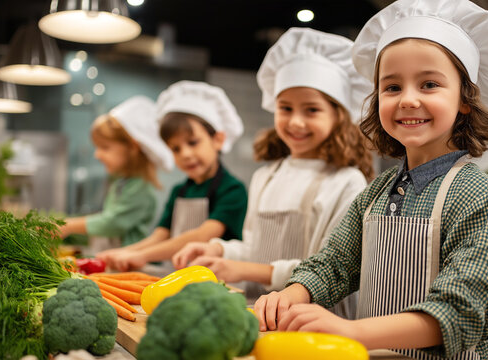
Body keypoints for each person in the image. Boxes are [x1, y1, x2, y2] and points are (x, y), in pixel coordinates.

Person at [253, 1, 488, 360]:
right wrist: (292, 293)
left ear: (465, 100)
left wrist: (351, 331)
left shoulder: (478, 196)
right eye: (392, 87)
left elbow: (462, 312)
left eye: (429, 84)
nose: (408, 100)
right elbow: (335, 264)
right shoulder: (377, 192)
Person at [172, 28, 374, 318]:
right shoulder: (266, 176)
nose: (296, 121)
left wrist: (243, 269)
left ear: (338, 115)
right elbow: (255, 248)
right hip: (259, 312)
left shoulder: (345, 181)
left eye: (312, 110)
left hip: (316, 318)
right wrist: (219, 251)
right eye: (285, 108)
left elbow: (333, 268)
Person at [97, 81, 248, 272]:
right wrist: (122, 252)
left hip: (217, 281)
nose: (185, 154)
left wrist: (141, 255)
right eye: (175, 148)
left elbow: (203, 236)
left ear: (217, 139)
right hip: (177, 276)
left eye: (193, 142)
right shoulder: (180, 191)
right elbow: (160, 235)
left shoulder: (232, 189)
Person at [59, 96, 174, 247]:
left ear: (132, 148)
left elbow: (112, 223)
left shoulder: (141, 188)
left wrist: (67, 225)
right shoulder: (121, 183)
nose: (97, 155)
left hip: (128, 263)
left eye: (105, 147)